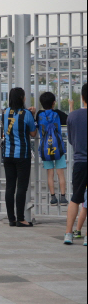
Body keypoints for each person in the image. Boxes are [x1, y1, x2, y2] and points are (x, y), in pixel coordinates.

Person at [2, 88, 37, 227]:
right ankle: (21, 218)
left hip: (8, 154)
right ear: (22, 97)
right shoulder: (26, 113)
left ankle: (11, 219)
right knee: (21, 187)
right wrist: (33, 116)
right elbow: (33, 133)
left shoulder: (5, 112)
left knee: (10, 187)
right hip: (22, 155)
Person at [35, 92, 69, 206]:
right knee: (60, 173)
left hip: (45, 148)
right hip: (58, 148)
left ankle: (53, 198)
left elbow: (36, 123)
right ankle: (63, 197)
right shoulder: (58, 113)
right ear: (54, 102)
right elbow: (70, 120)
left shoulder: (39, 114)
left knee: (50, 174)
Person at [63, 83, 87, 245]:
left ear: (82, 97)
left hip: (79, 162)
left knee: (75, 199)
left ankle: (68, 233)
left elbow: (70, 140)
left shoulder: (73, 116)